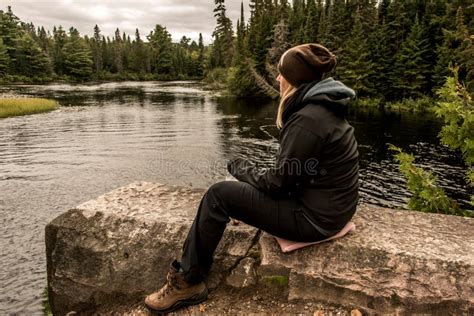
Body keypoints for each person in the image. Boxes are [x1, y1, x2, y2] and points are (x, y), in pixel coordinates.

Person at [144, 43, 359, 314]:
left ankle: (189, 281)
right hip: (330, 208)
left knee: (218, 195)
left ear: (295, 80)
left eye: (283, 74)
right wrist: (249, 195)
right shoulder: (324, 108)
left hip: (315, 219)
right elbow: (295, 174)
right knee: (236, 192)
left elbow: (278, 183)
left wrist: (240, 169)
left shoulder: (308, 120)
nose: (278, 79)